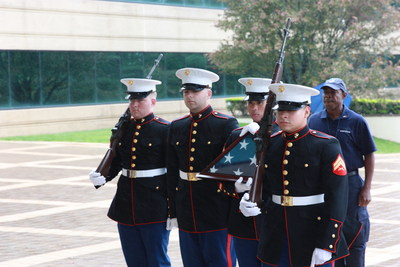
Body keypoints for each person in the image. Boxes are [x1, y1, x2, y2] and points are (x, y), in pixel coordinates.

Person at [239, 83, 349, 267]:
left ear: (306, 112)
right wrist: (249, 199)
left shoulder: (325, 145)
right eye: (280, 109)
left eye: (291, 110)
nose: (283, 115)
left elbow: (337, 197)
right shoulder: (270, 143)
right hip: (275, 233)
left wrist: (327, 243)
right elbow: (265, 186)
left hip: (312, 232)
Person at [89, 78, 171, 267]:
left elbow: (172, 169)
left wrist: (172, 206)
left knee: (156, 259)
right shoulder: (124, 129)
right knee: (134, 260)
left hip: (154, 204)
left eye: (140, 100)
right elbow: (117, 160)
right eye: (131, 100)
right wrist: (102, 175)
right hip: (126, 203)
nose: (134, 104)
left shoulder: (165, 129)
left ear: (153, 100)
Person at [166, 67, 239, 267]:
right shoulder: (177, 126)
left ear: (209, 93)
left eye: (195, 91)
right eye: (186, 92)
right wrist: (172, 210)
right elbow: (172, 171)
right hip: (187, 208)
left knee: (220, 262)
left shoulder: (225, 124)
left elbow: (233, 172)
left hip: (216, 209)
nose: (189, 95)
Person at [309, 78, 377, 267]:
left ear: (344, 95)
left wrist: (367, 188)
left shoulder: (357, 121)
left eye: (333, 93)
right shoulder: (314, 121)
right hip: (324, 185)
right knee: (330, 232)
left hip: (352, 183)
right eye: (326, 93)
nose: (328, 96)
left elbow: (369, 155)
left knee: (355, 232)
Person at [223, 77, 275, 267]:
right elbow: (223, 177)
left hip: (271, 221)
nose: (254, 108)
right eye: (251, 103)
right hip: (243, 221)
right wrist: (235, 187)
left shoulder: (281, 136)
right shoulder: (238, 135)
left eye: (259, 103)